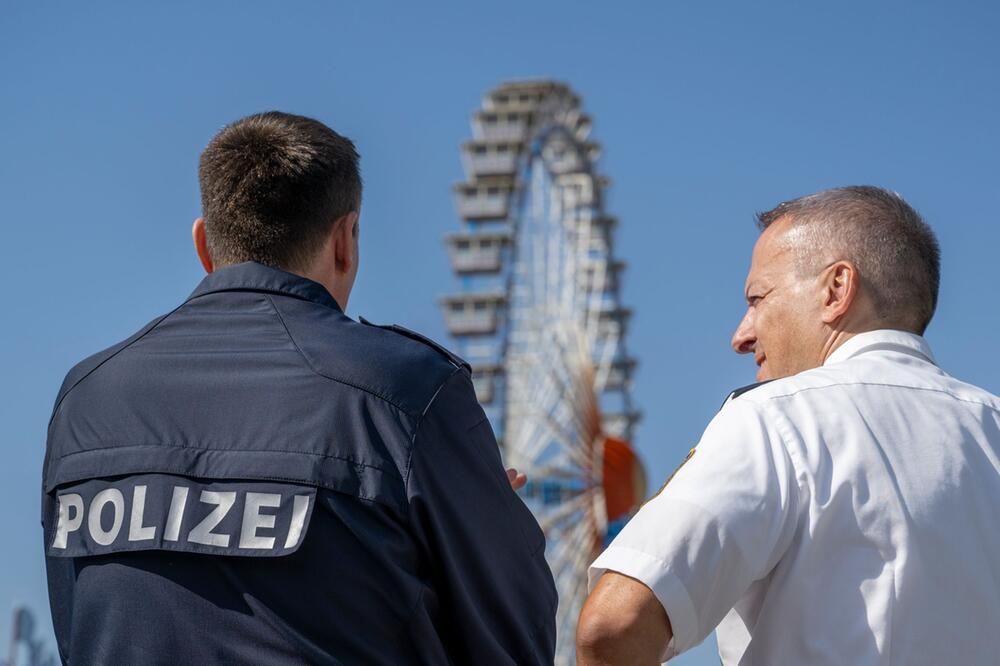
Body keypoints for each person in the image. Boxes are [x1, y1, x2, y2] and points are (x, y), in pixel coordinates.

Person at [42, 111, 557, 665]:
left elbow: (78, 632)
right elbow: (513, 643)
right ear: (345, 239)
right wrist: (484, 527)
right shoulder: (406, 394)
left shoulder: (86, 400)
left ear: (204, 245)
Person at [577, 186, 1000, 665]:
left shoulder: (779, 419)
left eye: (758, 299)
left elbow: (613, 625)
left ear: (836, 289)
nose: (741, 336)